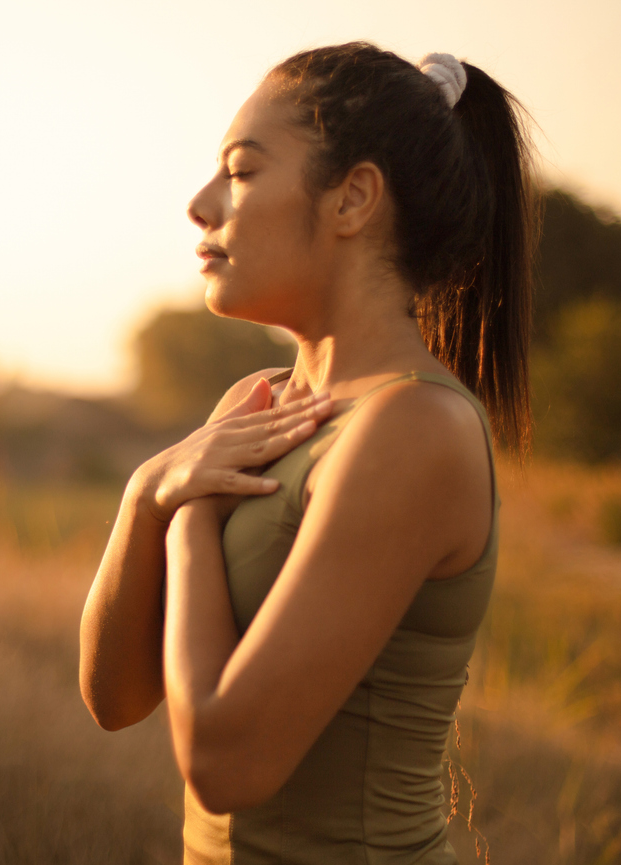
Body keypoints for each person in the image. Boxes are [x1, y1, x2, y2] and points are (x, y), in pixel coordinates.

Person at [79, 41, 535, 864]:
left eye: (242, 171)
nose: (199, 203)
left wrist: (188, 517)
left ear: (353, 198)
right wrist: (148, 492)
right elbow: (113, 697)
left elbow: (225, 761)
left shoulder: (413, 427)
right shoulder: (253, 407)